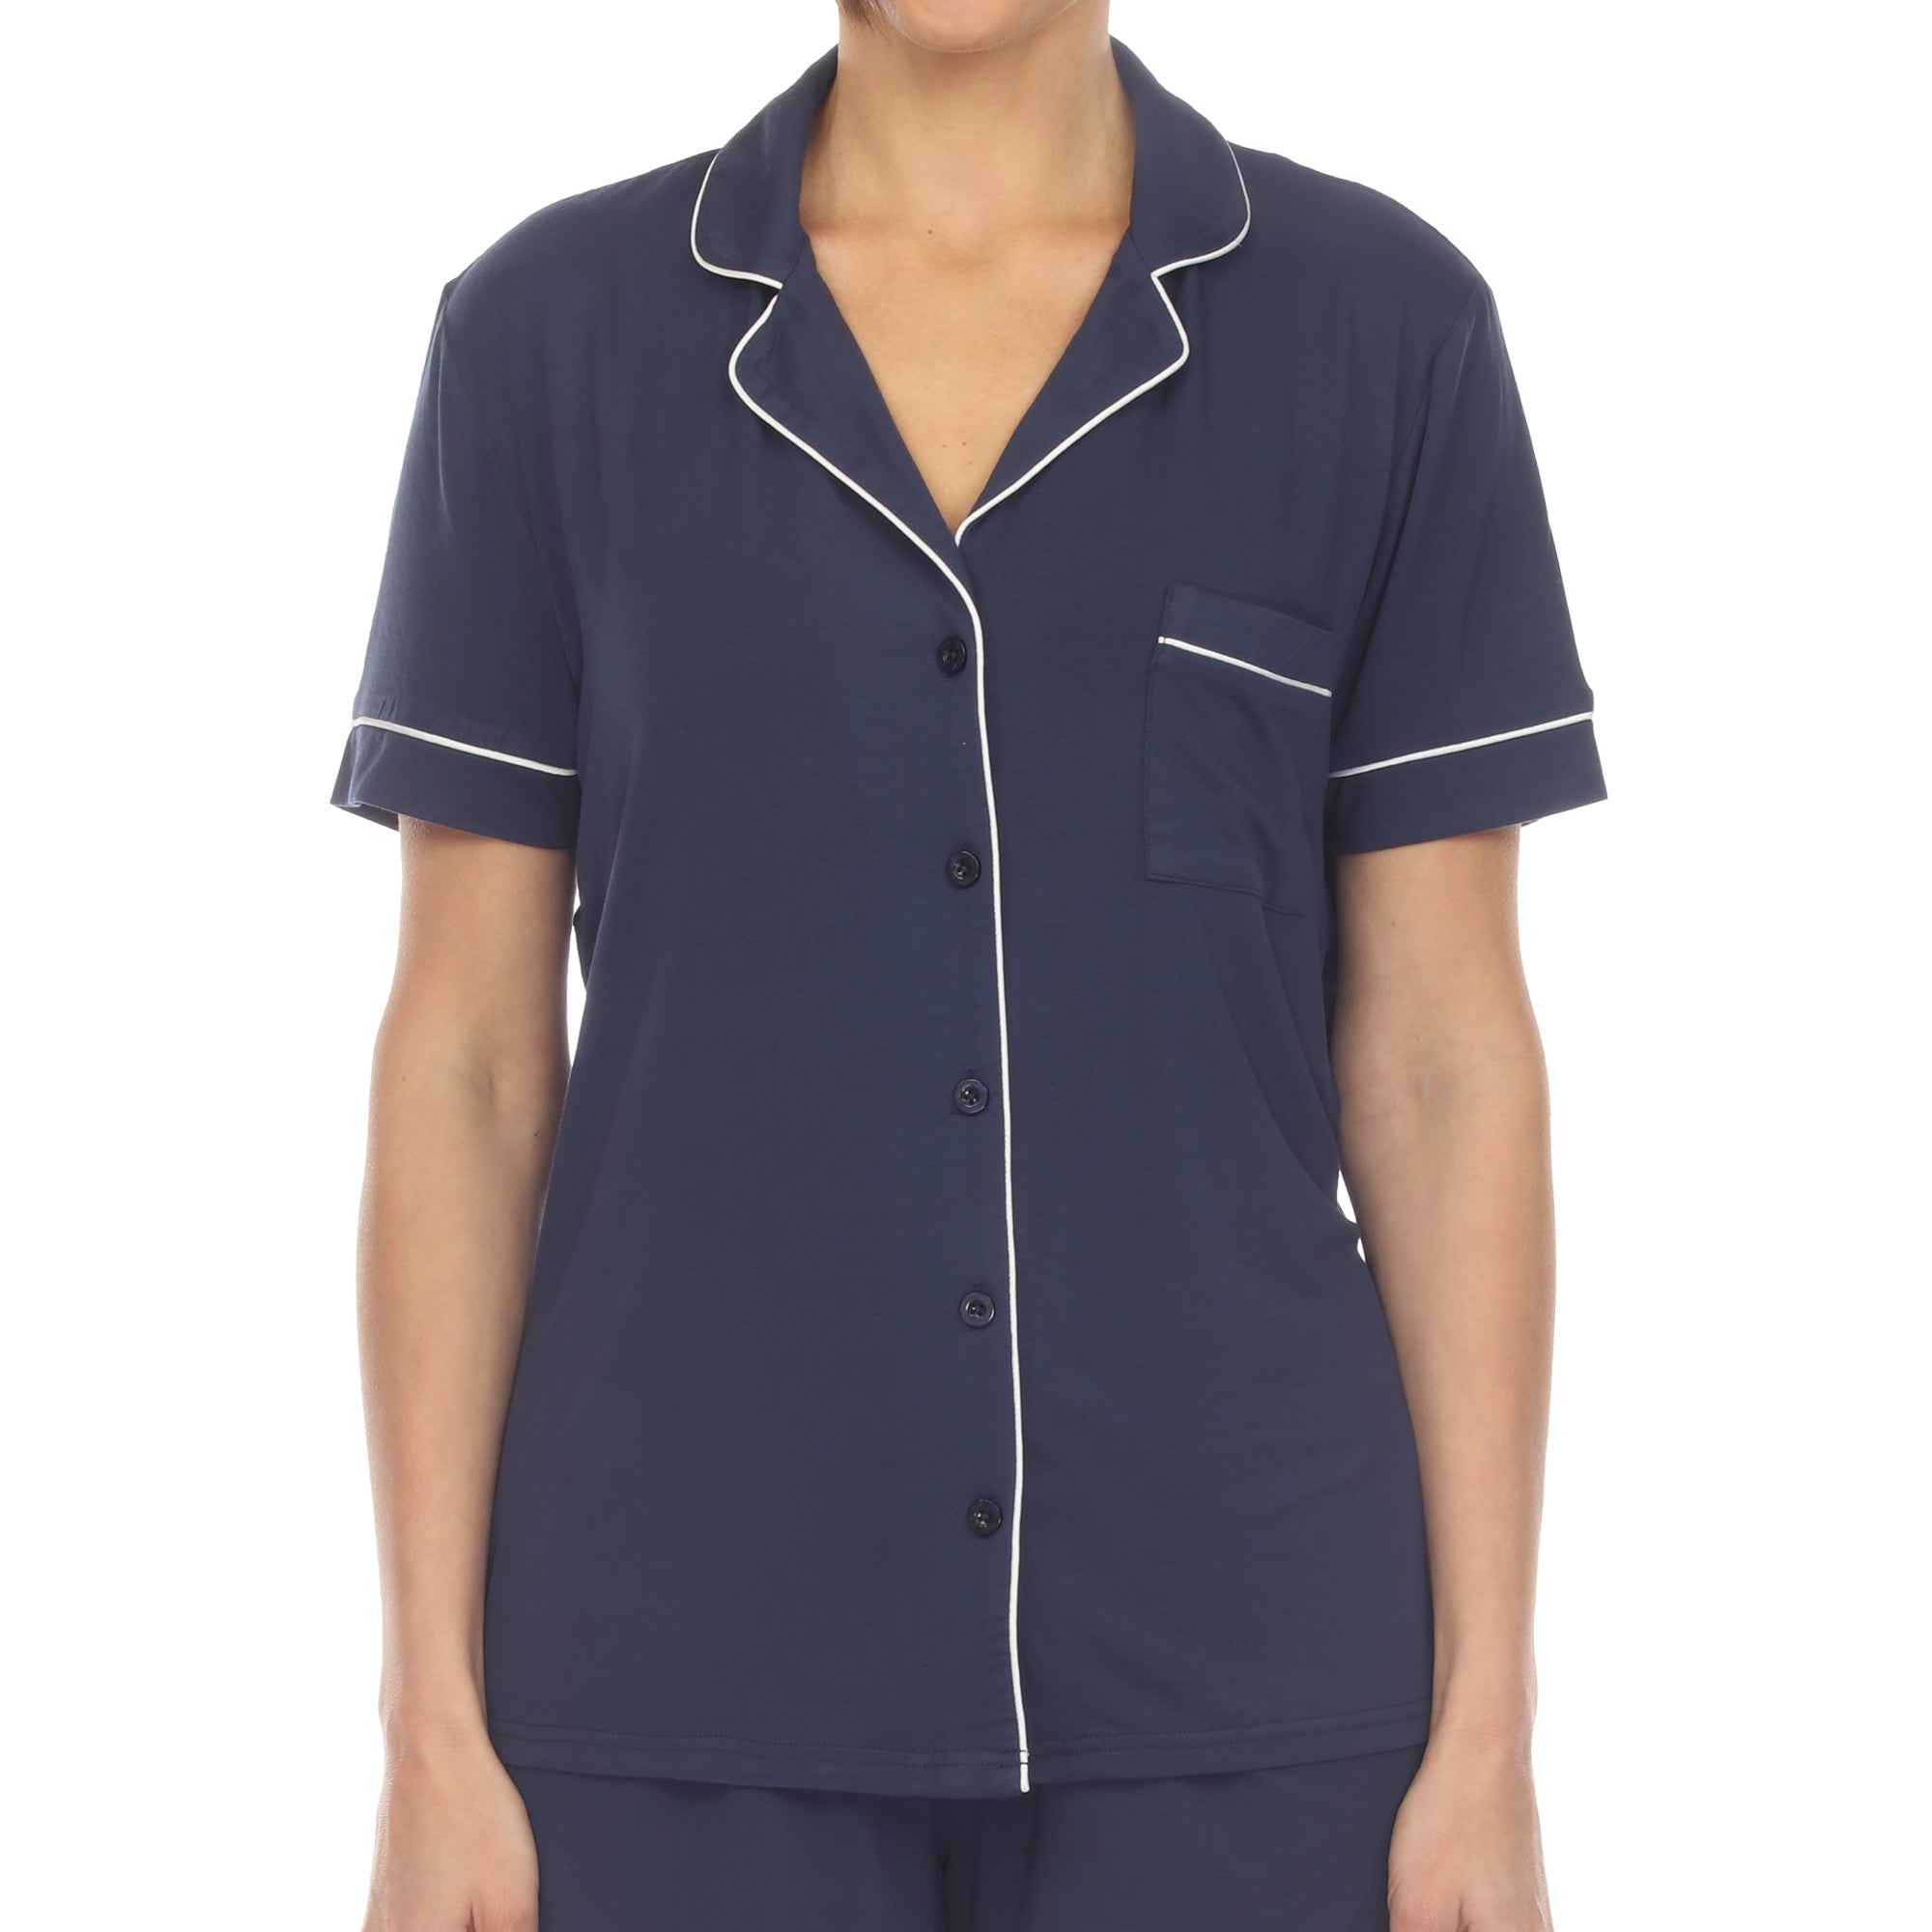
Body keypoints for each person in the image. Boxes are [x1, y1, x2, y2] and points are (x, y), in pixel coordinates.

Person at [330, 2, 1605, 1926]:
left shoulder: (1384, 332)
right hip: (676, 1674)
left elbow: (1441, 1062)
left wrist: (1490, 1731)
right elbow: (469, 1063)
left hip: (1245, 1680)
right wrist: (428, 1726)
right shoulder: (544, 341)